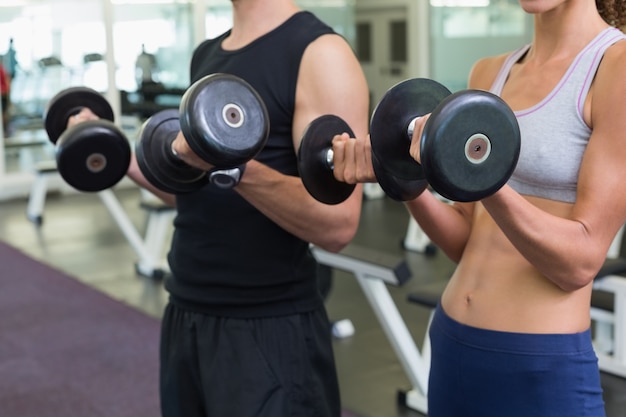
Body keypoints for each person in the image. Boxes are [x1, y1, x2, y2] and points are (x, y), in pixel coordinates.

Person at [331, 1, 626, 416]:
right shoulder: (490, 73)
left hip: (538, 365)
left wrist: (475, 175)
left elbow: (579, 263)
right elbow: (466, 239)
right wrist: (404, 181)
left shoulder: (614, 67)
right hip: (453, 346)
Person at [101, 1, 365, 416]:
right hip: (186, 312)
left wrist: (235, 165)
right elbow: (200, 194)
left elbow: (338, 223)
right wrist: (108, 151)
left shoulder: (320, 53)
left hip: (268, 328)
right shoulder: (207, 55)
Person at [0, 62, 10, 138]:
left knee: (3, 114)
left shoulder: (1, 68)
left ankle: (5, 131)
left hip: (3, 94)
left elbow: (7, 80)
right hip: (3, 93)